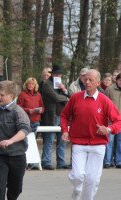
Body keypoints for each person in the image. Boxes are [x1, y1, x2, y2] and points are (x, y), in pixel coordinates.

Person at [61, 69, 121, 200]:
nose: (87, 82)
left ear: (98, 82)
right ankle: (77, 190)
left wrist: (109, 129)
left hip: (98, 144)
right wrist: (65, 130)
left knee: (92, 179)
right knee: (77, 176)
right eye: (85, 79)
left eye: (91, 80)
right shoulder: (75, 98)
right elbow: (64, 115)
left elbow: (118, 121)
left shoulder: (104, 100)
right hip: (78, 143)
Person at [41, 64, 71, 170]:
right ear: (52, 74)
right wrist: (66, 98)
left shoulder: (63, 83)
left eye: (59, 74)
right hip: (51, 116)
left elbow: (71, 95)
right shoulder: (47, 84)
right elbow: (55, 97)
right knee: (49, 139)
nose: (57, 75)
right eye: (55, 74)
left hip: (62, 116)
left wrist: (64, 89)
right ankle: (46, 161)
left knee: (62, 140)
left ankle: (61, 162)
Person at [17, 77, 44, 170]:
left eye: (32, 84)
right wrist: (29, 110)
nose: (30, 85)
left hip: (36, 121)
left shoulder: (39, 95)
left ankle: (31, 163)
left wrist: (41, 110)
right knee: (24, 142)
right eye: (28, 83)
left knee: (32, 143)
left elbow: (42, 106)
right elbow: (18, 107)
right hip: (25, 122)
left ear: (35, 85)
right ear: (26, 84)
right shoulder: (22, 95)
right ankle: (23, 162)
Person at [104, 73, 121, 169]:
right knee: (109, 141)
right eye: (120, 80)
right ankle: (107, 161)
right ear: (117, 80)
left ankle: (118, 161)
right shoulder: (109, 89)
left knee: (120, 142)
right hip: (111, 121)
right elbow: (104, 104)